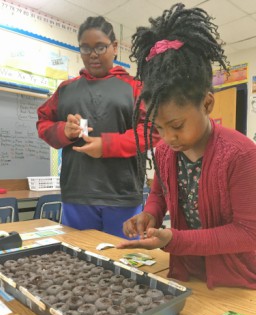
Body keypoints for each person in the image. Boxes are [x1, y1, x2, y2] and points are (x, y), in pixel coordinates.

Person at [116, 3, 256, 288]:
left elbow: (247, 233)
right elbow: (160, 193)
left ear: (207, 103)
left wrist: (174, 239)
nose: (167, 138)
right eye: (158, 128)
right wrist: (149, 214)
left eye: (176, 125)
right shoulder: (166, 152)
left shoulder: (242, 154)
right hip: (185, 272)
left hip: (235, 281)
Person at [36, 16, 159, 238]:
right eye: (85, 48)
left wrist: (107, 145)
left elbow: (153, 131)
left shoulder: (134, 87)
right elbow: (43, 122)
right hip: (77, 193)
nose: (93, 54)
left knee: (123, 262)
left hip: (121, 193)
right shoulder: (66, 90)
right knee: (77, 262)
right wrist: (63, 130)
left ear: (114, 48)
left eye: (100, 47)